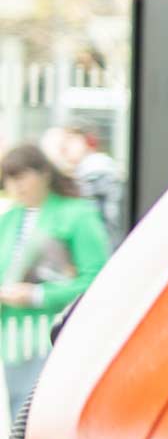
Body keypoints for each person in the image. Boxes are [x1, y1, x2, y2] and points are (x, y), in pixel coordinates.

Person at [1, 144, 112, 421]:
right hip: (14, 339)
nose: (17, 186)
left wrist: (38, 295)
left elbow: (97, 279)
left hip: (58, 336)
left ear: (44, 174)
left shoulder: (77, 215)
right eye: (10, 179)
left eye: (22, 176)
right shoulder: (9, 219)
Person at [41, 122, 125, 240]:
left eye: (71, 140)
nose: (65, 148)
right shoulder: (88, 172)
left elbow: (90, 223)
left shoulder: (96, 171)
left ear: (87, 142)